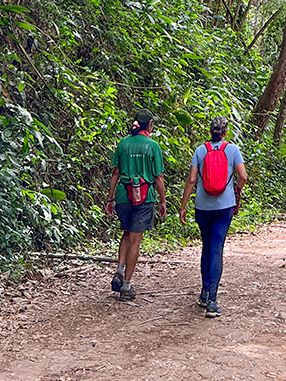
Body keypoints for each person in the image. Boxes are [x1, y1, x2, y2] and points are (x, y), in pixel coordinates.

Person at [179, 116, 247, 319]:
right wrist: (236, 191)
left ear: (210, 132)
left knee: (206, 246)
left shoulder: (200, 150)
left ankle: (203, 292)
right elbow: (243, 176)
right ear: (225, 132)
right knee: (217, 249)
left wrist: (183, 206)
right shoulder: (232, 150)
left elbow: (192, 180)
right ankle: (213, 302)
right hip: (224, 206)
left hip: (202, 206)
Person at [104, 109, 166, 301]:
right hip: (144, 196)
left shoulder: (123, 144)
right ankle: (126, 286)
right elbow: (158, 177)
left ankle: (119, 269)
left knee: (126, 233)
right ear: (150, 126)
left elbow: (115, 172)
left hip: (123, 195)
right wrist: (163, 200)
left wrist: (110, 198)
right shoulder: (152, 146)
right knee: (136, 240)